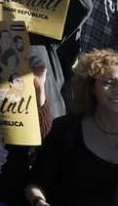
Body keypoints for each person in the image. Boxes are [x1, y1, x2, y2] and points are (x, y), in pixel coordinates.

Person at [25, 48, 118, 206]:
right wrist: (38, 202)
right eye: (109, 82)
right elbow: (34, 184)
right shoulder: (66, 129)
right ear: (91, 87)